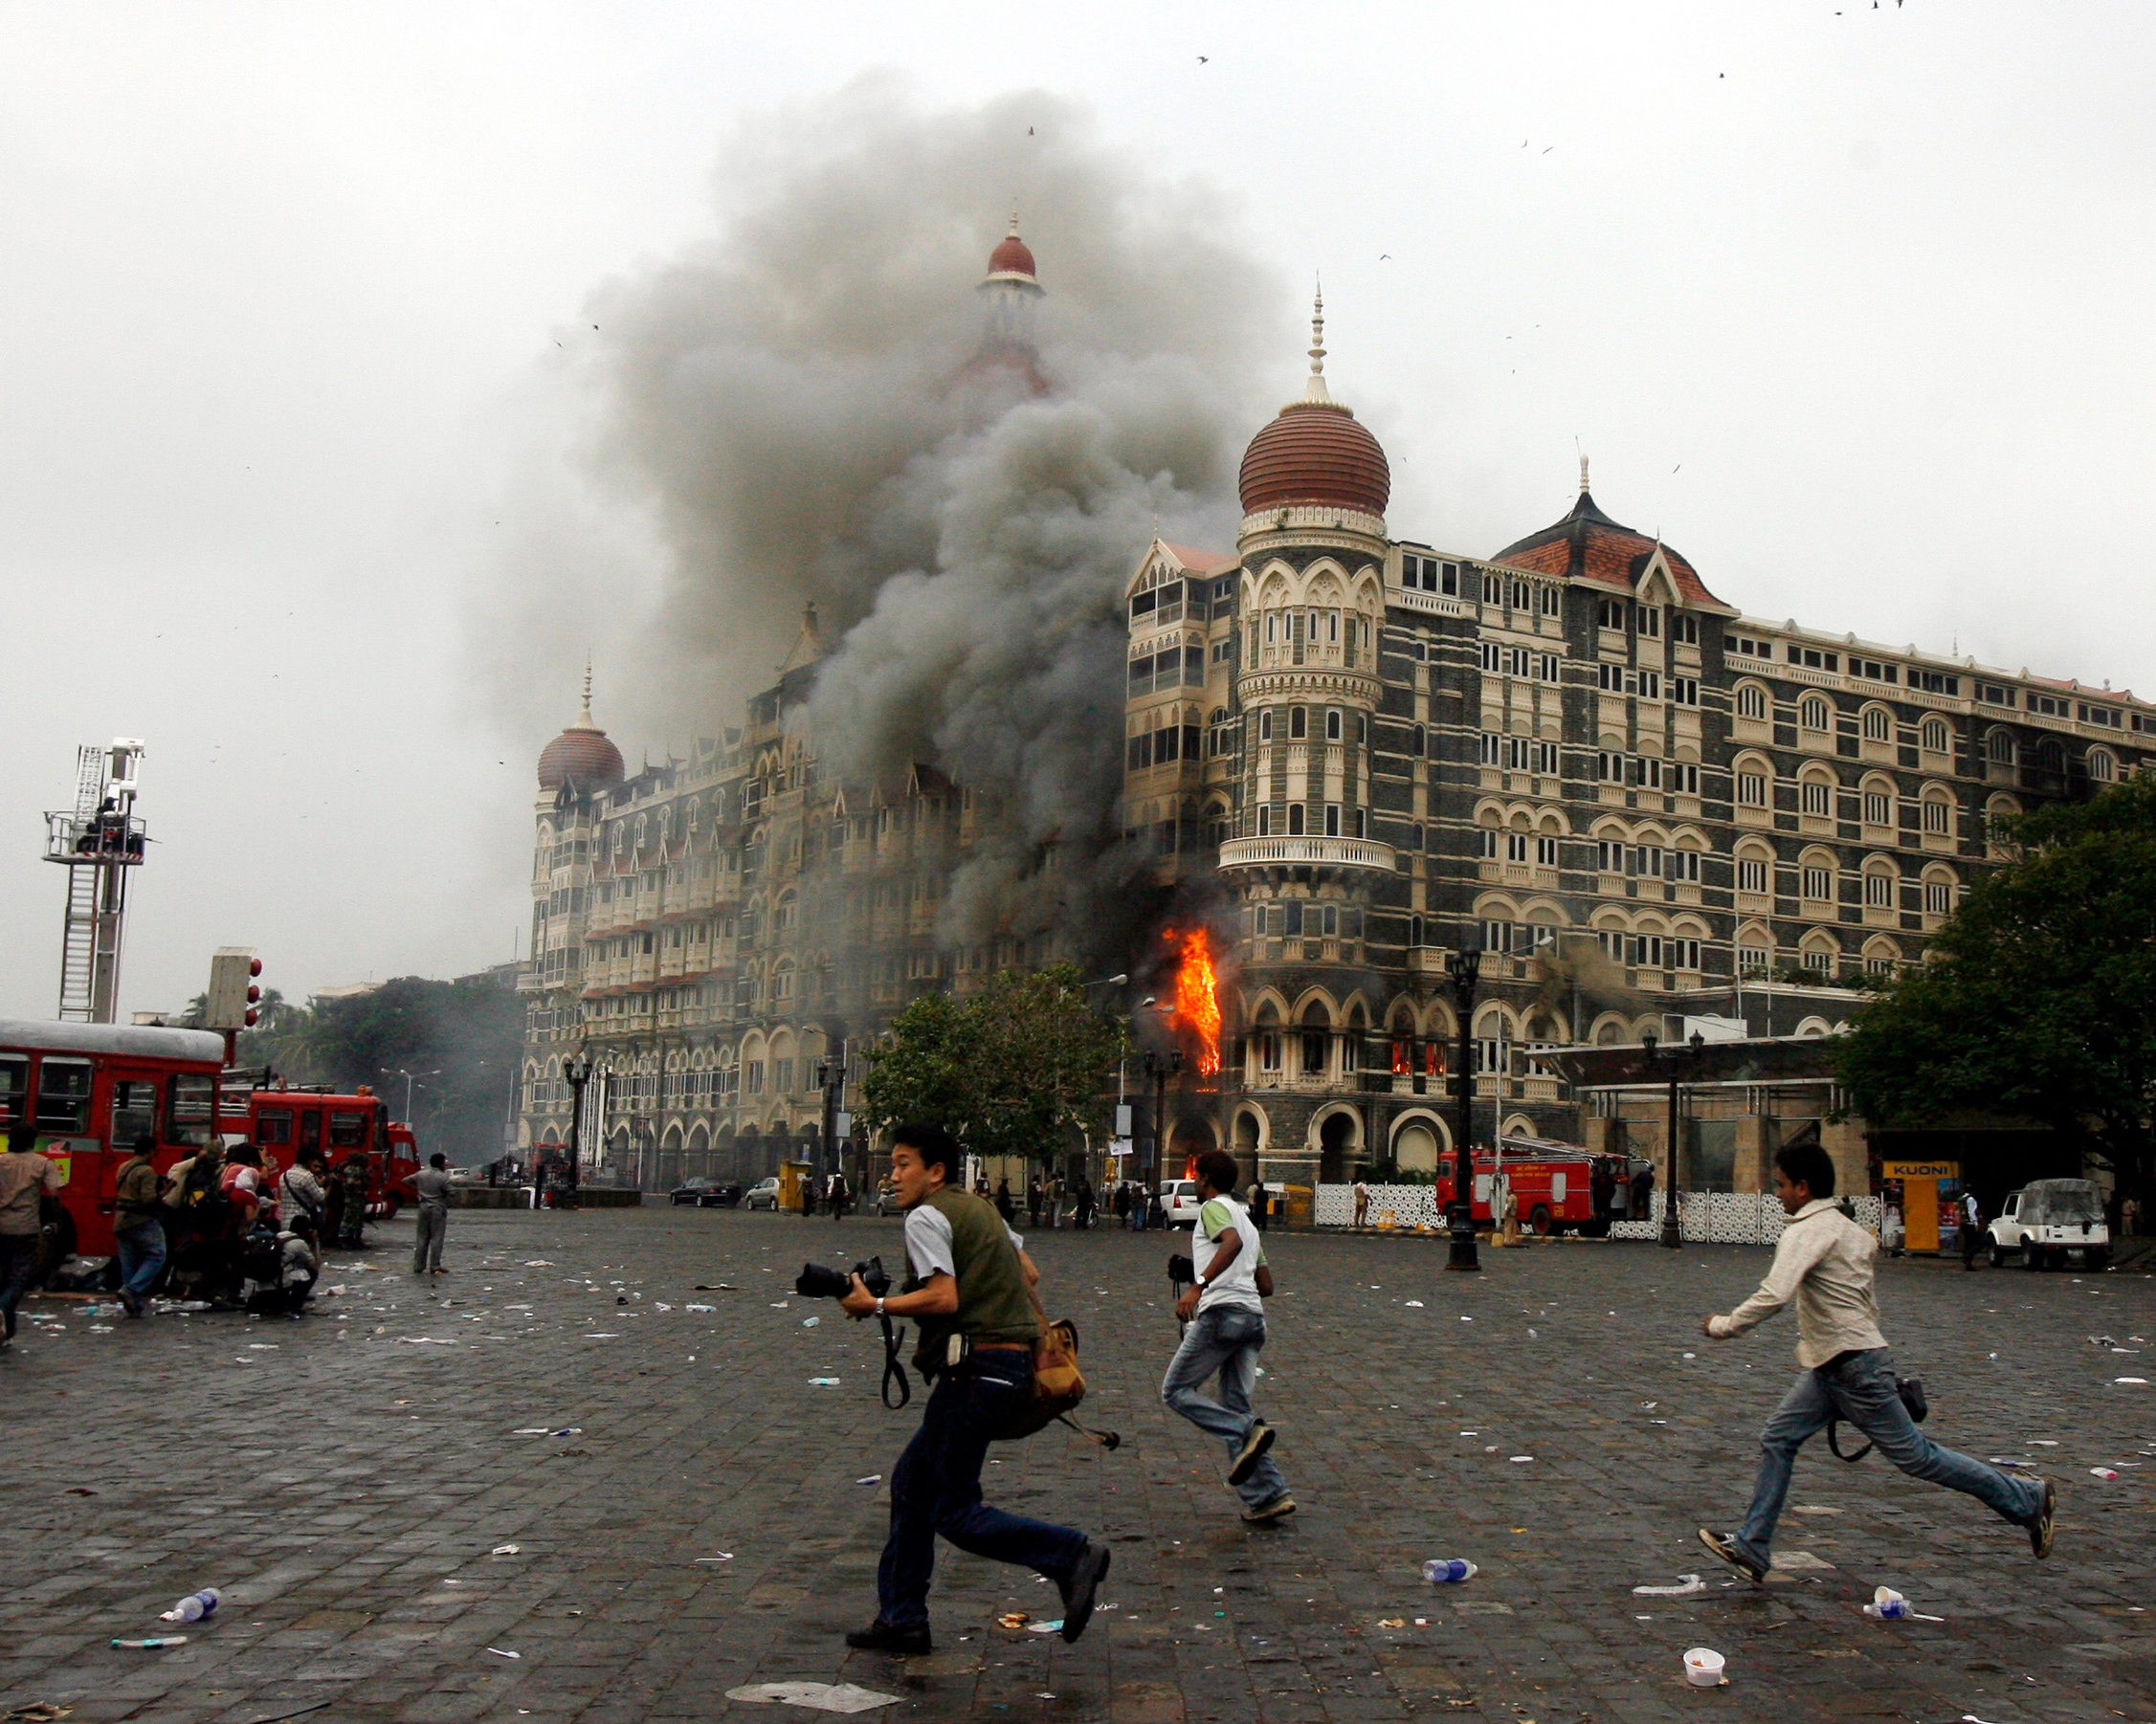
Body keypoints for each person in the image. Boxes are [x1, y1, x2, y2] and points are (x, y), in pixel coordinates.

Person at [1697, 1141, 2055, 1585]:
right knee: (1778, 1438)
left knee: (1917, 1458)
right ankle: (1752, 1545)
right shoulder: (1849, 1230)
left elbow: (1775, 1295)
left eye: (1783, 1185)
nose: (1778, 1193)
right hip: (1840, 1364)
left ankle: (2026, 1498)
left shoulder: (1805, 1231)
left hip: (1850, 1368)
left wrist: (1723, 1326)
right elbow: (1863, 1301)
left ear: (1804, 1188)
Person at [837, 1123, 1110, 1656]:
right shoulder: (981, 1210)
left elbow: (942, 1298)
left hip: (973, 1371)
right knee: (911, 1485)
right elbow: (1027, 1272)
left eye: (902, 1164)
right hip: (1007, 1370)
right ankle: (902, 1619)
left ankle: (1070, 1554)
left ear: (934, 1171)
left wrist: (872, 1305)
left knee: (951, 1509)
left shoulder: (926, 1216)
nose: (892, 1176)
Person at [1163, 1150, 1294, 1523]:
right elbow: (1264, 1284)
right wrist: (1198, 1270)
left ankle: (1245, 1430)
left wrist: (1199, 1286)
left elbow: (1230, 1242)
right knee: (1236, 1404)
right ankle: (1269, 1495)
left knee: (1175, 1391)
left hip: (1222, 1317)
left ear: (1204, 1178)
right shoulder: (1250, 1221)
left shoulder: (1212, 1209)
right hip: (1253, 1320)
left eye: (1196, 1175)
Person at [0, 1123, 64, 1350]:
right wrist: (56, 1220)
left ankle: (7, 1331)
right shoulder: (41, 1163)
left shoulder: (1, 1160)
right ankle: (3, 1310)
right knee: (18, 1278)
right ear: (32, 1142)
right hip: (25, 1228)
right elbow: (55, 1193)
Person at [112, 1133, 168, 1316]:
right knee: (157, 1255)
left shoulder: (123, 1167)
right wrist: (166, 1190)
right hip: (141, 1220)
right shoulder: (146, 1171)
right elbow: (148, 1200)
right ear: (151, 1151)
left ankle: (133, 1305)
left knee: (129, 1263)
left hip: (121, 1220)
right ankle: (132, 1290)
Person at [279, 1149, 329, 1249]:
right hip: (302, 1220)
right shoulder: (306, 1176)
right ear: (309, 1161)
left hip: (285, 1219)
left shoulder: (284, 1175)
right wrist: (324, 1186)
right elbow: (320, 1197)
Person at [413, 1153, 454, 1274]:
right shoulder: (443, 1177)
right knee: (436, 1238)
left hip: (423, 1207)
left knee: (421, 1238)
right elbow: (452, 1192)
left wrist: (419, 1190)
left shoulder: (421, 1174)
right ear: (441, 1164)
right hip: (437, 1208)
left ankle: (418, 1265)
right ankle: (435, 1265)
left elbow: (406, 1180)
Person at [337, 1157, 370, 1250]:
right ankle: (345, 1239)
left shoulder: (354, 1169)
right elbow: (350, 1182)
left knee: (357, 1220)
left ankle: (354, 1239)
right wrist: (359, 1183)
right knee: (349, 1219)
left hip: (357, 1198)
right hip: (353, 1197)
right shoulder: (353, 1170)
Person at [1961, 1188, 1984, 1271]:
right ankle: (1967, 1257)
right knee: (1979, 1243)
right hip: (1970, 1225)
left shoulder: (1963, 1199)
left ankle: (1968, 1264)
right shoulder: (1971, 1199)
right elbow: (1972, 1212)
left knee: (1969, 1244)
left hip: (1964, 1224)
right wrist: (1976, 1224)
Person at [1631, 1160, 1655, 1227]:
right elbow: (1650, 1186)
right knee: (1645, 1203)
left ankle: (1634, 1214)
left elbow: (1635, 1180)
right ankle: (1646, 1215)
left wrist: (1631, 1185)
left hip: (1638, 1188)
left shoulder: (1642, 1173)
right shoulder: (1651, 1177)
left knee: (1635, 1201)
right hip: (1645, 1190)